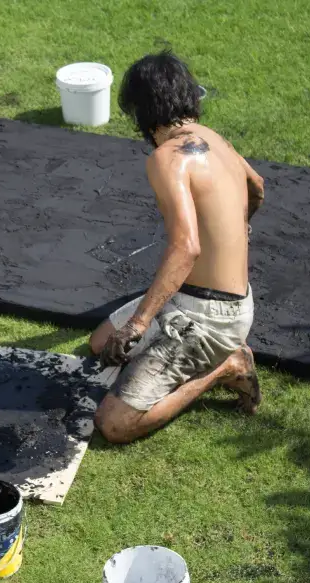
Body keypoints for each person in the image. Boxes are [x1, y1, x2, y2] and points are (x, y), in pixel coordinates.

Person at [90, 52, 265, 444]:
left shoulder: (167, 159)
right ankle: (209, 347)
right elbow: (258, 186)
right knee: (100, 343)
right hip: (209, 299)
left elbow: (186, 248)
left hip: (209, 319)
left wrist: (137, 324)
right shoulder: (214, 139)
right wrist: (241, 226)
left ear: (141, 112)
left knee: (114, 424)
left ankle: (227, 366)